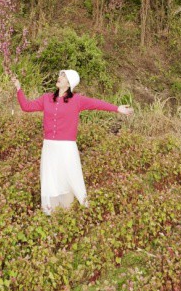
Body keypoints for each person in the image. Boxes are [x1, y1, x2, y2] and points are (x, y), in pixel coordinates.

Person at [11, 69, 134, 215]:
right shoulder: (46, 98)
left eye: (63, 76)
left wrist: (117, 108)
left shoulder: (77, 100)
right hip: (49, 146)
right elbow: (27, 107)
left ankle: (78, 209)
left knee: (71, 175)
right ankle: (51, 212)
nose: (59, 77)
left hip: (67, 147)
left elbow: (97, 104)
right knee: (51, 177)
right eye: (60, 75)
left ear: (69, 83)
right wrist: (19, 88)